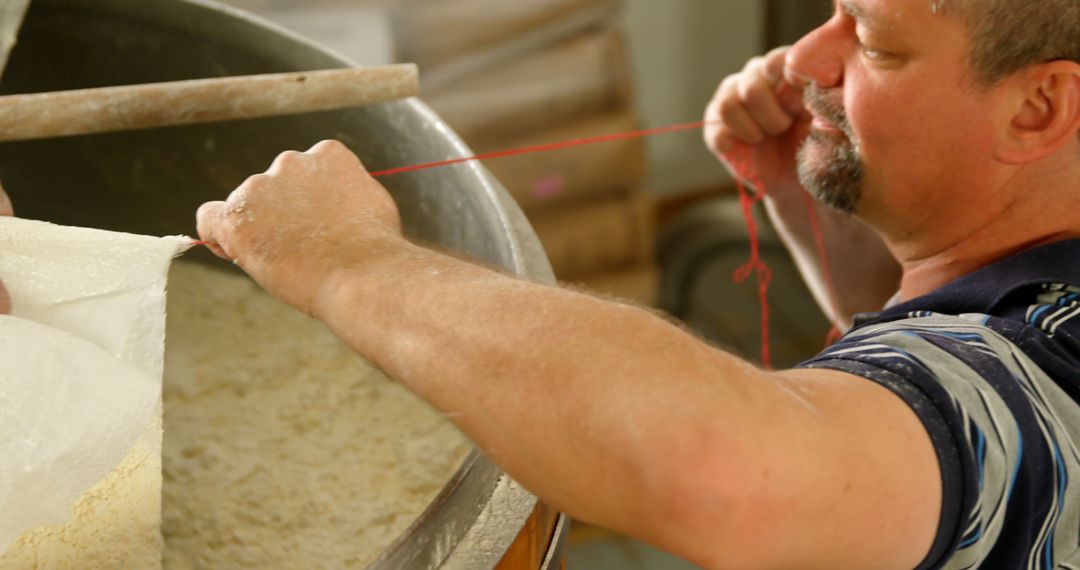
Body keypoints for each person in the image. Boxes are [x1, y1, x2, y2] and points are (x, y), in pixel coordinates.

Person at [154, 0, 1078, 567]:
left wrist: (343, 259)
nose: (805, 61)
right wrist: (821, 220)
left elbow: (727, 476)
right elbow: (938, 413)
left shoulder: (1032, 383)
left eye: (874, 43)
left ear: (1040, 106)